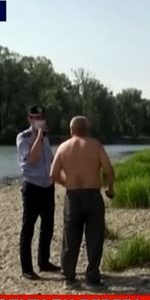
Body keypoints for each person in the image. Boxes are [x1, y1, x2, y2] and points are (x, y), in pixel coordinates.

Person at [49, 116, 115, 289]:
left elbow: (53, 174)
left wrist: (67, 182)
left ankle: (69, 278)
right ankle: (92, 278)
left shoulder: (63, 147)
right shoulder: (95, 145)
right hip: (93, 195)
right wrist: (110, 188)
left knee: (70, 238)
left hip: (73, 197)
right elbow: (108, 169)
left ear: (71, 130)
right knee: (94, 237)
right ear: (87, 129)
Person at [16, 105, 61, 280]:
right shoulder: (23, 137)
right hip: (32, 186)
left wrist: (55, 175)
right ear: (29, 119)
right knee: (28, 228)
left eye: (42, 117)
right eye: (35, 117)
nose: (39, 120)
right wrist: (39, 137)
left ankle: (44, 261)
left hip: (47, 186)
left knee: (47, 226)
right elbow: (32, 158)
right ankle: (27, 268)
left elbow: (49, 157)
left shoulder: (45, 137)